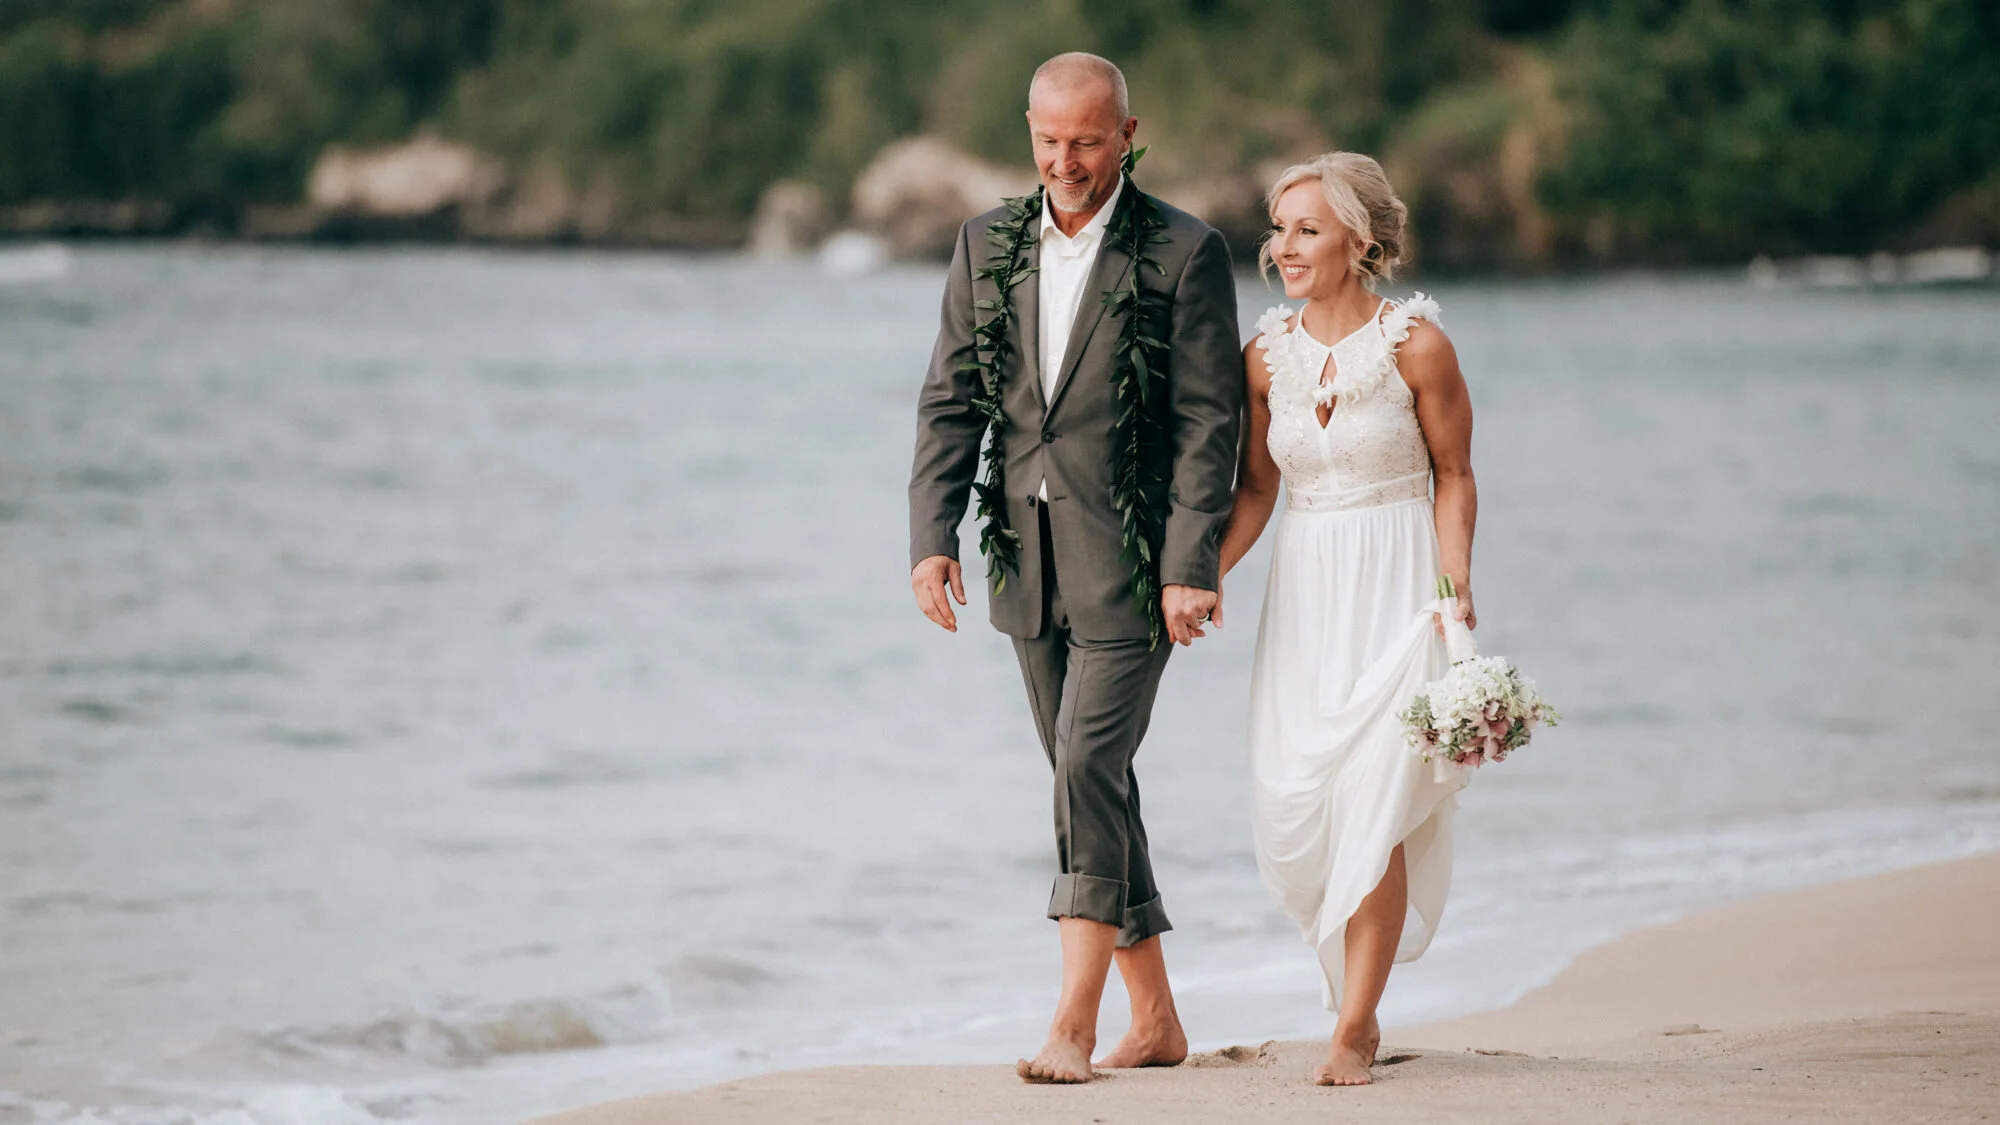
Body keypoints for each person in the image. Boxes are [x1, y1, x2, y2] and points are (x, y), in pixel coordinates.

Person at [906, 52, 1243, 1084]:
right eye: (1048, 140)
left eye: (1086, 140)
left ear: (1126, 136)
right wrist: (931, 536)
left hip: (1137, 567)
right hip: (1025, 564)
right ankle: (1159, 1023)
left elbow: (1206, 423)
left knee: (1084, 767)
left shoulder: (1183, 252)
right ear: (1029, 134)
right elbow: (951, 400)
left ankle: (1074, 1022)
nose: (1065, 160)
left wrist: (1192, 563)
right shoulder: (983, 244)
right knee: (1085, 778)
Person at [1216, 151, 1478, 1086]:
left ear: (1358, 244)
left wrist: (1454, 584)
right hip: (1306, 590)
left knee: (1376, 795)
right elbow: (1254, 490)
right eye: (1278, 228)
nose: (1282, 247)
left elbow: (1454, 474)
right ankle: (1346, 996)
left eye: (1306, 229)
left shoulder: (1417, 345)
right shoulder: (1265, 355)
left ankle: (1356, 1024)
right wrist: (1200, 578)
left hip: (1398, 586)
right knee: (1305, 802)